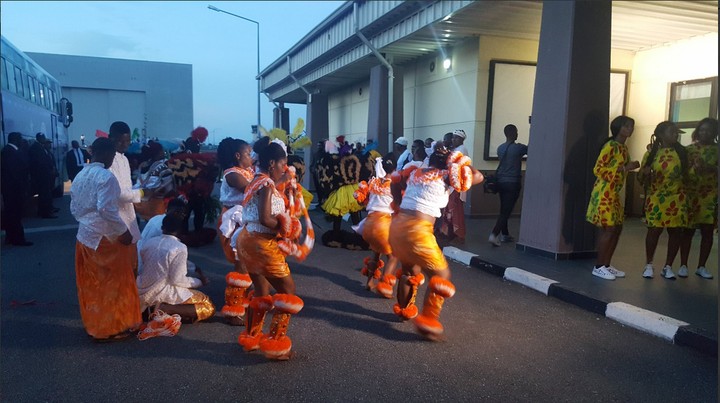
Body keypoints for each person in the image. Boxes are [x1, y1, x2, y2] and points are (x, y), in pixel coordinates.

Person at [389, 143, 484, 340]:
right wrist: (462, 162)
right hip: (418, 232)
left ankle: (404, 310)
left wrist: (397, 202)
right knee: (441, 274)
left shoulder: (416, 172)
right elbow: (479, 176)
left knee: (409, 271)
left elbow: (394, 181)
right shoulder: (448, 175)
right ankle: (428, 322)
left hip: (397, 227)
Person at [236, 136, 304, 360]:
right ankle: (275, 345)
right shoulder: (265, 184)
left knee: (262, 292)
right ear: (272, 163)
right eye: (283, 164)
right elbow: (266, 218)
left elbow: (271, 196)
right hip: (261, 244)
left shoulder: (258, 179)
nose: (284, 168)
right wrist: (287, 227)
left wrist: (288, 178)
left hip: (247, 239)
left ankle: (251, 338)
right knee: (288, 291)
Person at [70, 137, 141, 341]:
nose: (113, 159)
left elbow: (74, 208)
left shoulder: (81, 175)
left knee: (93, 285)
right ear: (107, 153)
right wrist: (123, 231)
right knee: (116, 284)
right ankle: (114, 327)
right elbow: (106, 209)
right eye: (112, 155)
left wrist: (86, 222)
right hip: (106, 239)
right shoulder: (106, 176)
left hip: (85, 236)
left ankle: (95, 326)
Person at [585, 116, 640, 280]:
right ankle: (599, 266)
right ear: (618, 128)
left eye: (632, 126)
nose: (630, 129)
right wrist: (625, 168)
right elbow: (598, 169)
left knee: (617, 227)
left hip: (614, 193)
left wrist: (628, 167)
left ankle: (607, 264)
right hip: (604, 192)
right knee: (609, 228)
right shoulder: (610, 146)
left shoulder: (623, 148)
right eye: (626, 126)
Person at [137, 214, 215, 323]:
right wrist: (199, 282)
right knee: (207, 306)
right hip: (162, 291)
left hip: (140, 288)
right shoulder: (179, 248)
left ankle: (153, 309)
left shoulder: (149, 243)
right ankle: (162, 309)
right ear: (180, 231)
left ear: (162, 228)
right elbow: (177, 280)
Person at [638, 121, 689, 279]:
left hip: (677, 197)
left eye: (676, 132)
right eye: (672, 132)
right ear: (660, 135)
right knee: (654, 231)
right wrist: (645, 174)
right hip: (656, 197)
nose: (675, 134)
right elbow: (640, 179)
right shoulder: (651, 154)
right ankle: (649, 264)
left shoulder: (682, 152)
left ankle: (668, 266)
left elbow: (688, 176)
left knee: (675, 232)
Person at [216, 137, 255, 325]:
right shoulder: (232, 174)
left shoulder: (247, 170)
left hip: (247, 218)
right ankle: (233, 308)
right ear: (238, 156)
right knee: (241, 264)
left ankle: (244, 300)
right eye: (248, 153)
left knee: (249, 262)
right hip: (235, 222)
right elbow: (250, 189)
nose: (251, 157)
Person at [353, 153, 399, 297]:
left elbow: (362, 201)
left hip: (368, 224)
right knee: (393, 257)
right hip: (383, 224)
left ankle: (370, 282)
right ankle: (384, 287)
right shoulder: (395, 185)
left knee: (376, 252)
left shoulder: (372, 182)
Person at [679, 117, 718, 279]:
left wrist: (710, 168)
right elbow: (681, 172)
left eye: (708, 130)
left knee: (707, 232)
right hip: (691, 195)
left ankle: (701, 266)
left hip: (710, 196)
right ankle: (683, 265)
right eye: (702, 130)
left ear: (715, 132)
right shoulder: (688, 150)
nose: (704, 133)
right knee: (687, 231)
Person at [108, 121, 148, 275]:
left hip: (128, 213)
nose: (125, 144)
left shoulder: (123, 159)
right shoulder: (109, 159)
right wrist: (142, 194)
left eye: (127, 141)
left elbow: (127, 188)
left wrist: (140, 189)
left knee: (130, 259)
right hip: (115, 217)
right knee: (118, 263)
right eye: (120, 141)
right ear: (111, 138)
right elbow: (118, 193)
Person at [489, 124, 529, 246]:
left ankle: (505, 234)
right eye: (516, 132)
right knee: (506, 211)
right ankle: (494, 234)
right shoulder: (518, 148)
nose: (517, 134)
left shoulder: (500, 148)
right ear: (512, 133)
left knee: (503, 208)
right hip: (513, 182)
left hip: (501, 182)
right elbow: (532, 148)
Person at [1, 132, 33, 246]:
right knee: (15, 215)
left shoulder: (9, 151)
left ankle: (11, 237)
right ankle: (18, 239)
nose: (22, 141)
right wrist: (23, 189)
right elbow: (16, 172)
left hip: (11, 190)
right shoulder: (9, 152)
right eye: (20, 139)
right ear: (15, 140)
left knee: (12, 215)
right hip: (13, 191)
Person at [440, 129, 471, 244]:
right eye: (452, 137)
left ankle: (459, 235)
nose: (453, 140)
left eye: (456, 137)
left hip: (456, 185)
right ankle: (450, 233)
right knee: (449, 210)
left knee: (456, 210)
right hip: (452, 185)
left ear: (461, 139)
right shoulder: (455, 150)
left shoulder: (461, 150)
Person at [29, 133, 58, 218]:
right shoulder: (36, 148)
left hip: (45, 175)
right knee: (44, 195)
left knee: (45, 194)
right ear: (39, 138)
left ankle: (45, 211)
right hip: (41, 176)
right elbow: (39, 163)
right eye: (43, 138)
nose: (44, 139)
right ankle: (46, 213)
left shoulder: (40, 147)